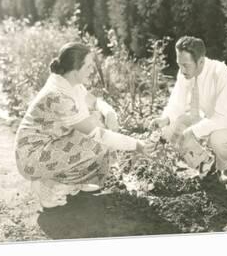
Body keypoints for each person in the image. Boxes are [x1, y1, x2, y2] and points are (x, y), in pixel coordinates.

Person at [15, 42, 154, 208]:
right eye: (88, 66)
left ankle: (68, 181)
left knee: (97, 120)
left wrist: (109, 113)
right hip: (32, 157)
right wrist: (137, 145)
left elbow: (95, 102)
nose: (92, 70)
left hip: (48, 146)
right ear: (75, 70)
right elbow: (99, 135)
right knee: (97, 142)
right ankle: (48, 185)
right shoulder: (60, 96)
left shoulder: (70, 83)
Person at [151, 36, 227, 187]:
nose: (182, 70)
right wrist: (164, 120)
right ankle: (204, 162)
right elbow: (177, 103)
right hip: (207, 118)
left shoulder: (219, 72)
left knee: (217, 138)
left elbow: (224, 118)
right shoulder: (185, 73)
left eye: (186, 65)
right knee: (174, 128)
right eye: (179, 65)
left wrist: (193, 131)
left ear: (201, 61)